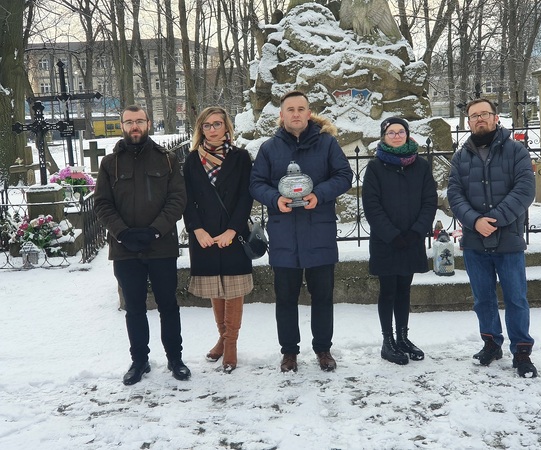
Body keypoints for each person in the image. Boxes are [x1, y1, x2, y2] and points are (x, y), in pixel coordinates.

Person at [249, 90, 352, 373]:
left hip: (319, 231)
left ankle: (323, 349)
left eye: (301, 109)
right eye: (290, 109)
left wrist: (319, 194)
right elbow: (256, 183)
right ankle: (289, 352)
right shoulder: (269, 148)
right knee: (285, 299)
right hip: (284, 234)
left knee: (323, 297)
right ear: (281, 115)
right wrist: (275, 199)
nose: (295, 114)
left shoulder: (327, 144)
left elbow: (344, 175)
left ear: (309, 113)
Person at [94, 105, 191, 385]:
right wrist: (122, 233)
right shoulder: (110, 163)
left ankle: (175, 358)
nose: (134, 126)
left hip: (161, 247)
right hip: (124, 248)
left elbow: (177, 199)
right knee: (134, 308)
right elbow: (102, 203)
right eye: (129, 122)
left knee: (168, 305)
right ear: (122, 125)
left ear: (148, 123)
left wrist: (155, 231)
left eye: (139, 121)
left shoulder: (167, 160)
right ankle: (139, 361)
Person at [447, 98, 537, 378]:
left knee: (516, 298)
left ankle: (521, 351)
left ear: (496, 118)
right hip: (475, 241)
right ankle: (491, 343)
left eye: (484, 114)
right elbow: (454, 194)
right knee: (482, 299)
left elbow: (524, 190)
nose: (479, 119)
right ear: (469, 122)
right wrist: (475, 221)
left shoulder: (516, 151)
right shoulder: (461, 157)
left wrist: (493, 220)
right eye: (474, 116)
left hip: (508, 239)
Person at [183, 106, 253, 373]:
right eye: (207, 125)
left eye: (217, 124)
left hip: (233, 233)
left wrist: (233, 230)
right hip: (205, 235)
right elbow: (186, 198)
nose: (212, 129)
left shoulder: (241, 157)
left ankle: (231, 343)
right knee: (215, 288)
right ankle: (222, 339)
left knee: (233, 288)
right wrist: (197, 230)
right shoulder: (192, 160)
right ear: (201, 129)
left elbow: (246, 197)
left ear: (226, 127)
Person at [362, 117, 437, 365]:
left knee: (404, 289)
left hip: (412, 239)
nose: (396, 136)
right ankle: (388, 341)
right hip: (386, 241)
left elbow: (429, 201)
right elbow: (371, 205)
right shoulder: (375, 167)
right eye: (391, 132)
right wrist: (392, 235)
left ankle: (402, 337)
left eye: (400, 131)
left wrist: (417, 232)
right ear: (384, 137)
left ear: (407, 134)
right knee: (388, 290)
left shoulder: (421, 165)